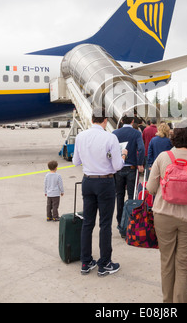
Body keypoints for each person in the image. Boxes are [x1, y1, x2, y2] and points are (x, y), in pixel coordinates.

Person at [147, 125, 187, 303]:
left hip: (164, 216)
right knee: (183, 264)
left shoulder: (163, 157)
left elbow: (150, 188)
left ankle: (168, 303)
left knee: (167, 261)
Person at [73, 108, 127, 277]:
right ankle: (104, 263)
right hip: (105, 181)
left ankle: (86, 261)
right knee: (105, 224)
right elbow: (118, 166)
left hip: (87, 180)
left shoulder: (81, 136)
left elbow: (76, 161)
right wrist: (123, 155)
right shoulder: (110, 137)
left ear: (92, 120)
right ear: (105, 120)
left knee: (88, 223)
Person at [113, 114, 145, 228]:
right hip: (131, 168)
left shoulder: (115, 133)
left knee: (119, 195)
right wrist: (140, 163)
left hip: (118, 168)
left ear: (121, 121)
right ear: (132, 121)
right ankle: (130, 220)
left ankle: (119, 221)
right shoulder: (136, 133)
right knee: (131, 195)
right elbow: (141, 149)